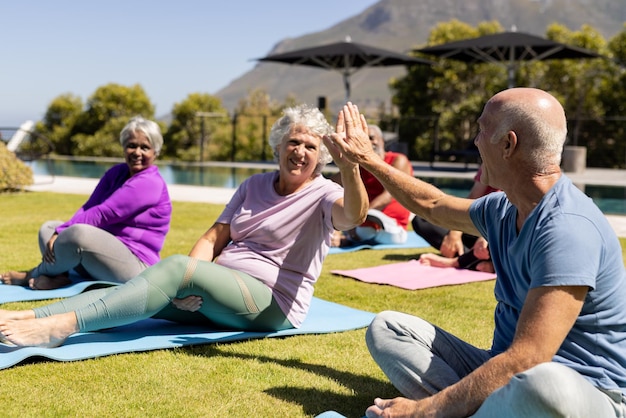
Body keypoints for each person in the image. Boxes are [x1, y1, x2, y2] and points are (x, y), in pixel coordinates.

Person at [329, 94, 626, 417]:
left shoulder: (568, 228)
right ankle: (477, 409)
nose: (474, 140)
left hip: (587, 392)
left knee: (543, 383)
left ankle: (458, 409)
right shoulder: (503, 208)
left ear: (508, 144)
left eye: (482, 130)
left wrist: (423, 410)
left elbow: (530, 357)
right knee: (388, 328)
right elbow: (433, 205)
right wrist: (369, 159)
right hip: (507, 372)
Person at [0, 104, 368, 348]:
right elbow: (213, 237)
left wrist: (351, 167)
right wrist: (192, 281)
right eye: (294, 141)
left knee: (174, 267)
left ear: (321, 157)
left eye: (310, 146)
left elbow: (353, 215)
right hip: (221, 291)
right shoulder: (253, 185)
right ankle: (27, 315)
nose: (300, 151)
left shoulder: (325, 193)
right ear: (279, 146)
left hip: (273, 303)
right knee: (120, 290)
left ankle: (59, 328)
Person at [1, 116, 172, 290]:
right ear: (123, 147)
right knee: (49, 228)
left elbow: (105, 213)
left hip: (135, 266)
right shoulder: (117, 173)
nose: (137, 152)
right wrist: (59, 231)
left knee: (77, 233)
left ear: (155, 152)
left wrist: (63, 231)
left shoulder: (150, 183)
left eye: (145, 147)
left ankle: (32, 274)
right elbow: (90, 206)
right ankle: (60, 277)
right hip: (100, 258)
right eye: (131, 145)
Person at [331, 124, 413, 247]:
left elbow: (388, 196)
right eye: (364, 139)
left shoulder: (398, 160)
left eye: (371, 137)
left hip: (392, 228)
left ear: (382, 141)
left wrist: (359, 218)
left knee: (369, 222)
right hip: (363, 225)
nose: (369, 142)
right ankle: (348, 235)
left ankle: (352, 235)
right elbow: (331, 187)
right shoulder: (358, 165)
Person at [413, 164, 498, 272]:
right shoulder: (489, 163)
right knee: (422, 220)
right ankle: (475, 258)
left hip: (497, 229)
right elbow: (472, 199)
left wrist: (487, 234)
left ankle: (457, 261)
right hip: (477, 226)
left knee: (502, 236)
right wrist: (455, 231)